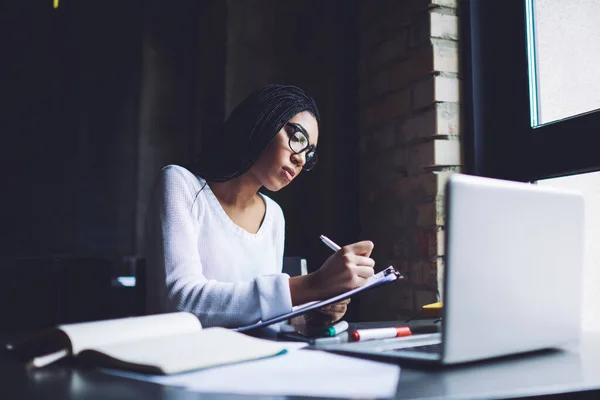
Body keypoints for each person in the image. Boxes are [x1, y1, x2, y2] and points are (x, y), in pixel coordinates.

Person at [144, 84, 375, 329]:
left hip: (257, 358)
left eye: (309, 154)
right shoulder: (180, 184)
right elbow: (182, 302)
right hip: (187, 362)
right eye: (297, 139)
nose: (300, 159)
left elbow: (264, 315)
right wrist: (312, 284)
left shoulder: (274, 215)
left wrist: (313, 310)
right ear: (262, 120)